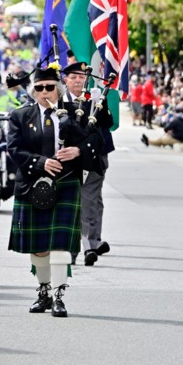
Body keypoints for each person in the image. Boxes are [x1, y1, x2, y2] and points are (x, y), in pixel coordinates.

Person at [7, 65, 106, 317]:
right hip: (32, 182)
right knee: (39, 246)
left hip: (66, 182)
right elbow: (14, 149)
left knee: (61, 244)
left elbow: (97, 139)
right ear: (33, 92)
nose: (44, 92)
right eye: (38, 88)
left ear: (58, 89)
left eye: (49, 87)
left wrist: (78, 150)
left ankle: (59, 296)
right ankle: (44, 291)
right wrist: (41, 163)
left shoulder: (76, 112)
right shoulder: (20, 116)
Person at [60, 61, 114, 267]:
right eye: (73, 77)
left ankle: (90, 245)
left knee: (90, 202)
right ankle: (74, 249)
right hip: (68, 161)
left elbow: (106, 125)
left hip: (93, 159)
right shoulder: (60, 103)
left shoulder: (94, 101)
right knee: (73, 204)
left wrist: (103, 103)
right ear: (66, 80)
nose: (77, 81)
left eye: (81, 77)